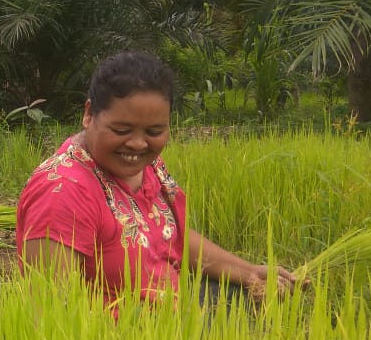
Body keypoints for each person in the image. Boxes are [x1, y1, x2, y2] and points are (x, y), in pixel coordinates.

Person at [16, 52, 298, 308]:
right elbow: (48, 311)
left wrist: (250, 273)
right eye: (122, 130)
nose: (138, 144)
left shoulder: (146, 166)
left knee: (252, 296)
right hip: (120, 337)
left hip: (170, 309)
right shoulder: (62, 192)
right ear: (89, 114)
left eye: (154, 132)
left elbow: (168, 236)